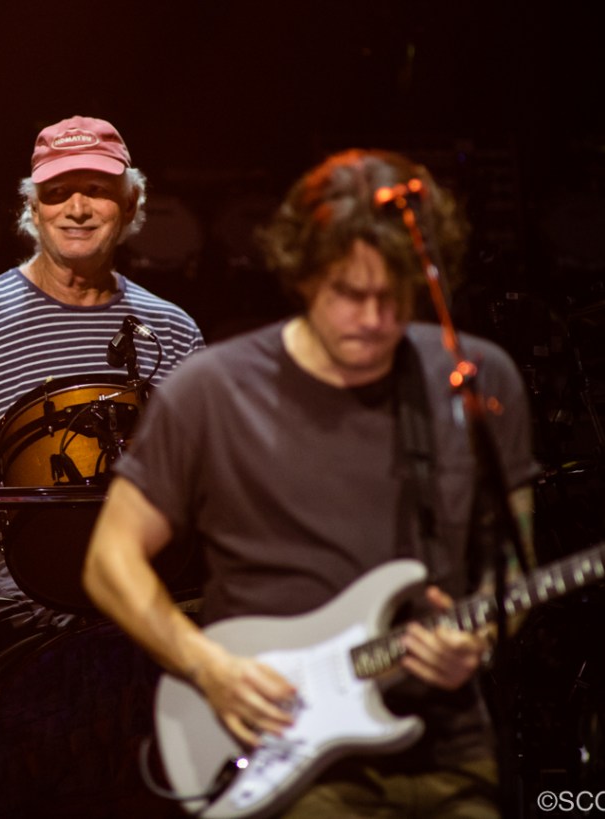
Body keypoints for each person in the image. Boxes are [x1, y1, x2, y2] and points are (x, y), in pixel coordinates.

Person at [82, 148, 539, 817]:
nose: (374, 319)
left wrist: (481, 636)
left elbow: (512, 561)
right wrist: (208, 666)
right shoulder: (213, 391)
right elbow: (110, 560)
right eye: (349, 294)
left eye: (394, 296)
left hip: (452, 749)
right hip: (284, 750)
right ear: (302, 273)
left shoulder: (476, 382)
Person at [0, 115, 205, 643]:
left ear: (131, 204)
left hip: (150, 575)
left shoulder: (172, 327)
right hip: (13, 589)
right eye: (57, 193)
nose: (77, 209)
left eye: (96, 190)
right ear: (33, 208)